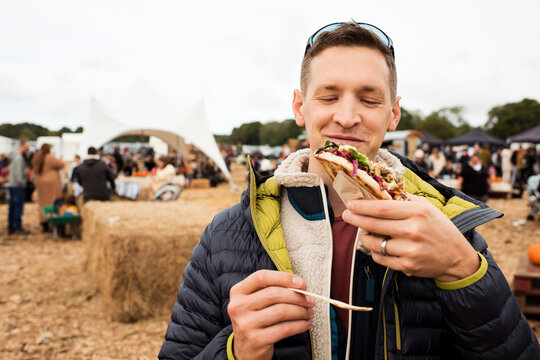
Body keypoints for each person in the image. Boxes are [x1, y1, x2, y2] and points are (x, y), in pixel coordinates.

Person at [159, 22, 539, 359]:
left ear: (394, 114)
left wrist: (464, 270)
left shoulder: (448, 226)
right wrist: (237, 350)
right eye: (328, 97)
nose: (346, 117)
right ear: (299, 107)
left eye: (370, 100)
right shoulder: (226, 235)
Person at [32, 143, 65, 232]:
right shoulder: (50, 157)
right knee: (54, 202)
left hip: (41, 183)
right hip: (52, 184)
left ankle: (44, 222)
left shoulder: (38, 158)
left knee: (43, 203)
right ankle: (55, 221)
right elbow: (61, 164)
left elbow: (34, 170)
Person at [7, 140, 31, 235]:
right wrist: (24, 183)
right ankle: (17, 227)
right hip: (17, 186)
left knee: (13, 207)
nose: (28, 148)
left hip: (13, 184)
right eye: (27, 146)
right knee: (17, 207)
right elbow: (18, 175)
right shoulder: (19, 158)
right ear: (22, 146)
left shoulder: (15, 157)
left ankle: (11, 226)